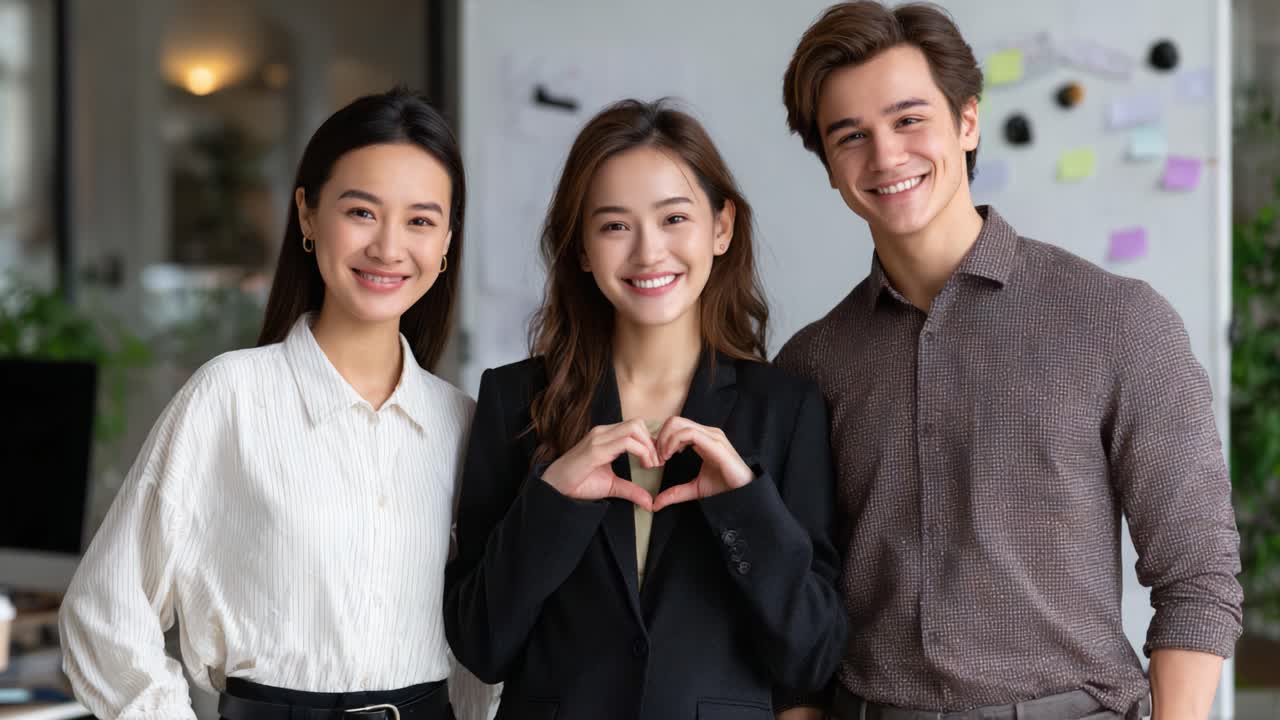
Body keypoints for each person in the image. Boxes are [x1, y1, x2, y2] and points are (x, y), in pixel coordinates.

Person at [774, 3, 1244, 719]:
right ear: (828, 166)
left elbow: (1198, 574)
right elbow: (796, 599)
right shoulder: (812, 363)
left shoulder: (1118, 320)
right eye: (851, 136)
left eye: (908, 120)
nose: (886, 156)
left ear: (967, 122)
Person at [59, 88, 493, 720]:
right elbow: (104, 612)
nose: (389, 247)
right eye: (362, 212)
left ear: (447, 240)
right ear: (308, 216)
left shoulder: (463, 425)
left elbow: (481, 655)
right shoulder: (228, 398)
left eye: (421, 220)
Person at [443, 98, 846, 719]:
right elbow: (481, 646)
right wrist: (551, 501)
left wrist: (743, 503)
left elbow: (811, 657)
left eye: (673, 218)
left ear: (721, 227)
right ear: (579, 247)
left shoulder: (787, 408)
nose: (648, 252)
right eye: (614, 226)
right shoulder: (512, 400)